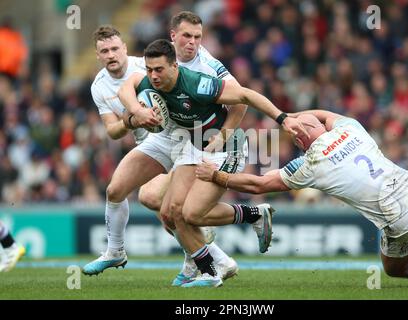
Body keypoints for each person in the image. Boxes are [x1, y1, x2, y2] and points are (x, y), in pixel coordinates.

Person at [118, 39, 305, 287]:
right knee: (169, 214)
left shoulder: (197, 84)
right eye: (149, 69)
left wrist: (283, 119)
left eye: (159, 69)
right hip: (194, 146)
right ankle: (210, 271)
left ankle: (252, 217)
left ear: (174, 66)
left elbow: (244, 95)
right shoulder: (150, 84)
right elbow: (125, 92)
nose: (153, 76)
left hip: (226, 147)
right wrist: (135, 114)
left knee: (191, 214)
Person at [196, 110, 408, 280]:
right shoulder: (351, 128)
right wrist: (293, 117)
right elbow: (326, 114)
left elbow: (259, 185)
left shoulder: (311, 163)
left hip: (402, 214)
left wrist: (217, 176)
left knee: (395, 269)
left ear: (299, 142)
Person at [83, 21, 240, 285]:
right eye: (104, 51)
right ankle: (116, 250)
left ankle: (211, 260)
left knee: (162, 204)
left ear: (125, 48)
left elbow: (189, 78)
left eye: (114, 49)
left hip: (181, 139)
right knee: (117, 191)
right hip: (153, 144)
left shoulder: (145, 66)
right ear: (97, 55)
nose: (111, 55)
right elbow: (113, 131)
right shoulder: (98, 86)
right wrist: (133, 119)